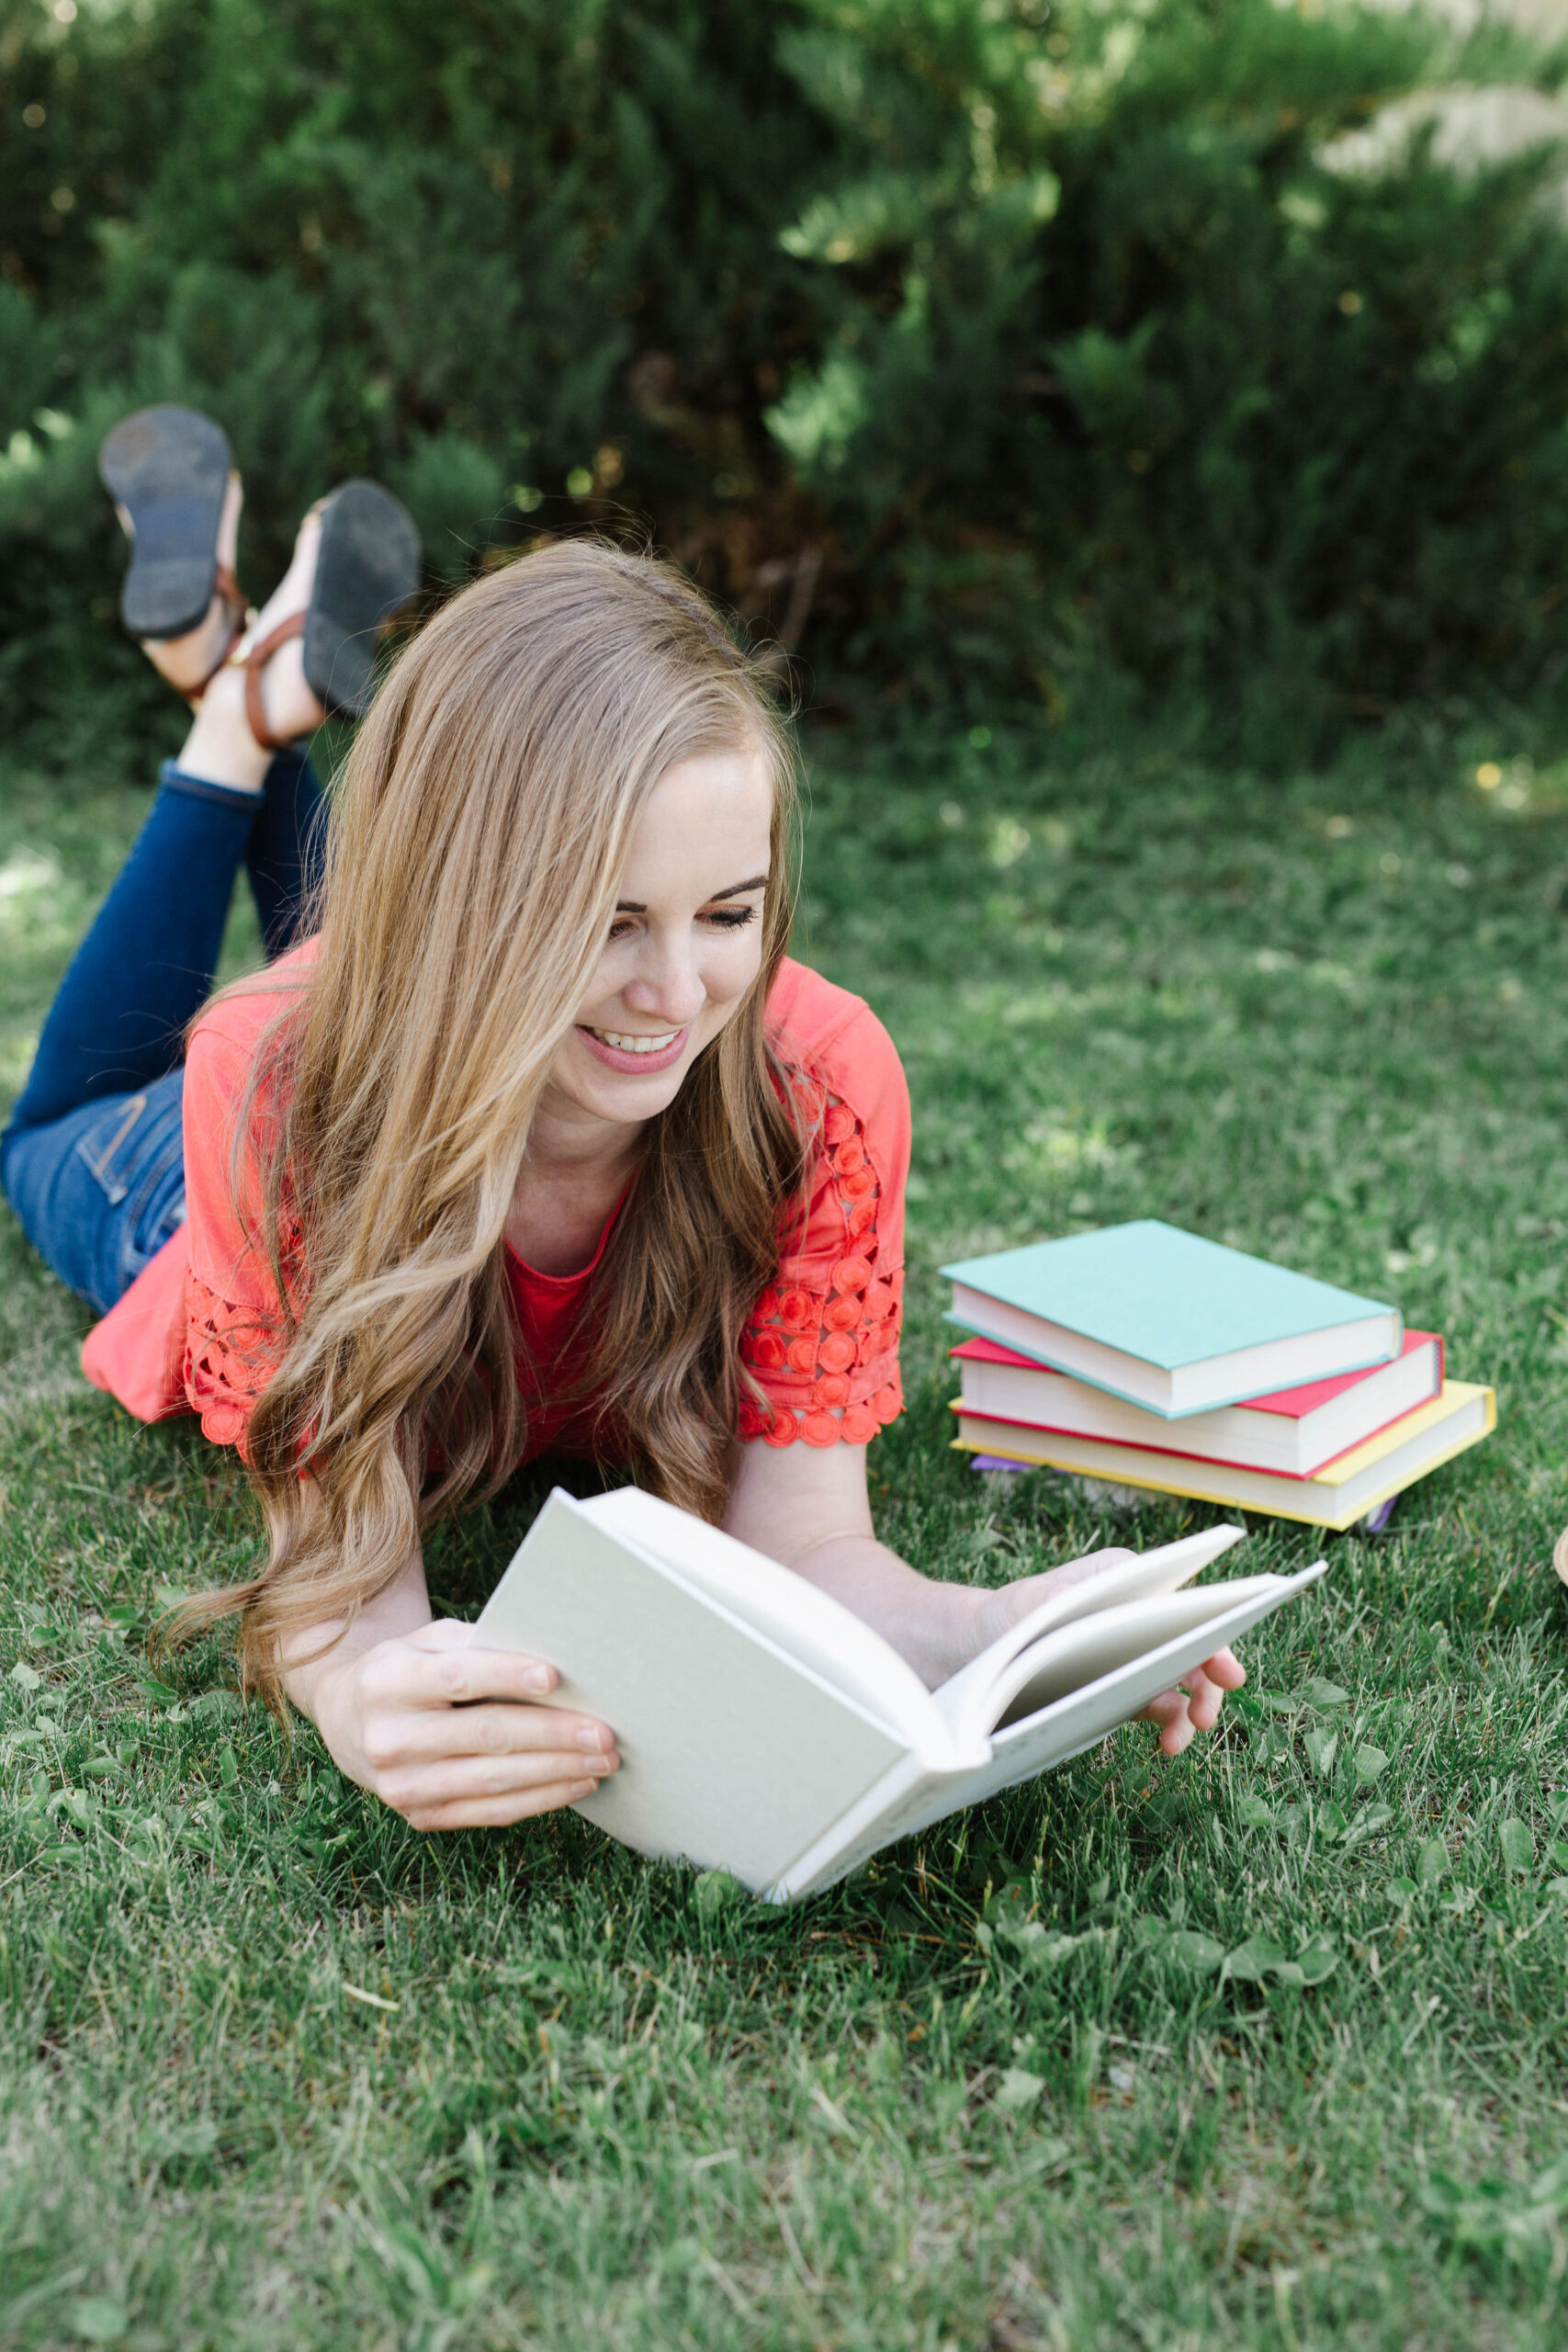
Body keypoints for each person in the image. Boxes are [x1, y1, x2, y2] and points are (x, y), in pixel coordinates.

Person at [1, 408, 1245, 1838]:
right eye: (607, 923)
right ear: (476, 915)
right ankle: (230, 719)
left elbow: (810, 1547)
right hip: (182, 1175)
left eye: (727, 913)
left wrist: (998, 1632)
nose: (675, 994)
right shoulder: (271, 1090)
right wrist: (356, 1692)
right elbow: (345, 1591)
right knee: (54, 1124)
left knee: (425, 960)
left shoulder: (814, 1077)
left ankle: (259, 681)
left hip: (418, 998)